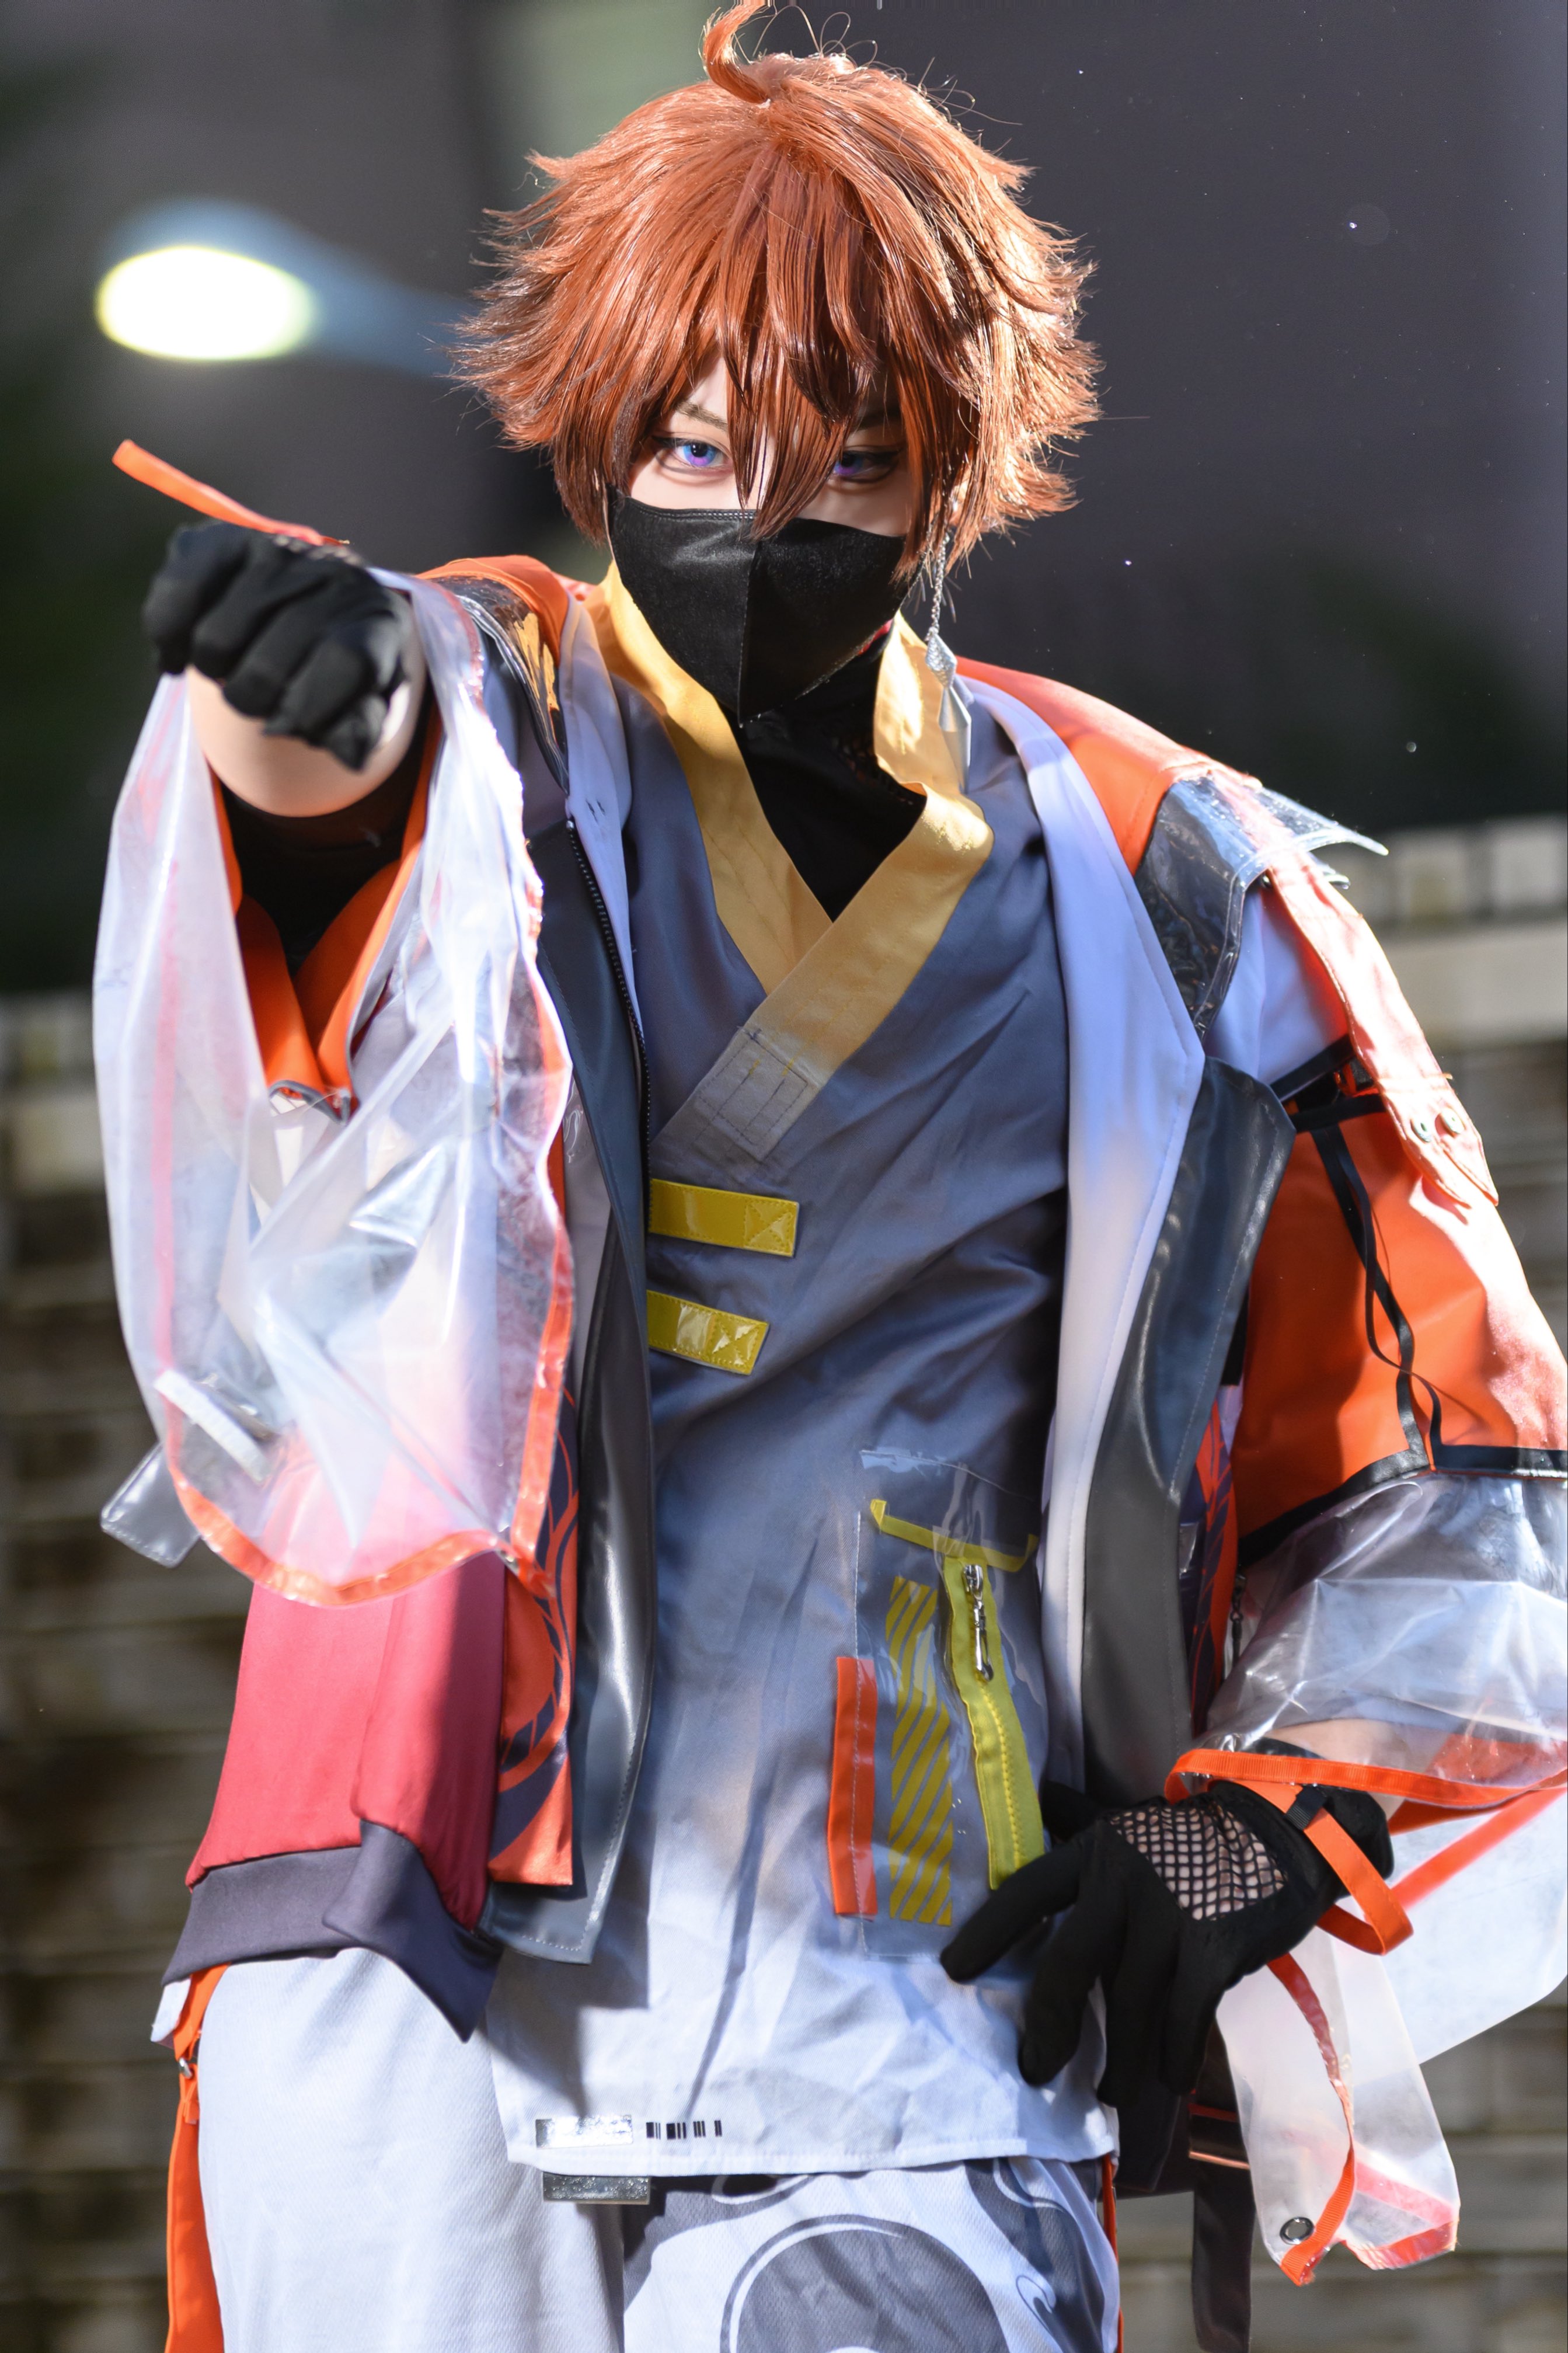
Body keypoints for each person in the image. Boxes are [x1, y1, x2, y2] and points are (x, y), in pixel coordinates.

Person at [97, 8, 1564, 2350]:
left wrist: (1249, 1824)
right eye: (690, 443)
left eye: (843, 460)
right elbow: (338, 862)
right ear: (596, 430)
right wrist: (299, 726)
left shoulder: (1172, 890)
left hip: (905, 1970)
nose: (752, 522)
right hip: (409, 1941)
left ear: (954, 473)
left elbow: (1453, 1460)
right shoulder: (479, 739)